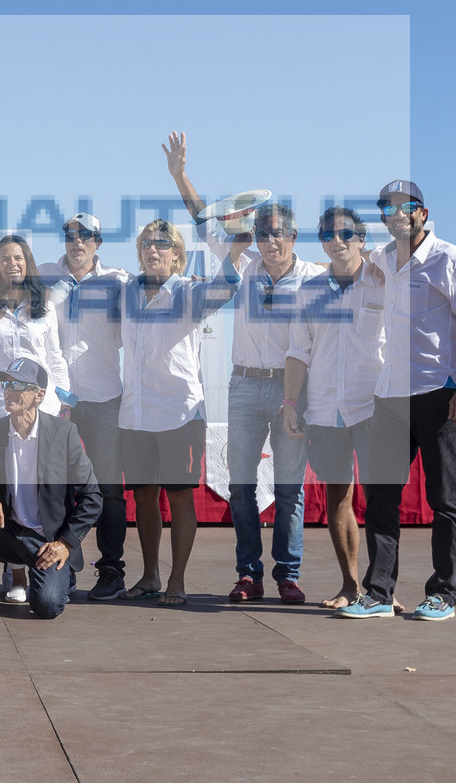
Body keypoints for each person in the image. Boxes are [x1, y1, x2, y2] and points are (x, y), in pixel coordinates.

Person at [164, 131, 325, 604]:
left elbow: (360, 271)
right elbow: (202, 217)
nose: (269, 240)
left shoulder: (314, 277)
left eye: (278, 233)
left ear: (293, 237)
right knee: (240, 487)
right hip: (245, 388)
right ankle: (248, 573)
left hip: (293, 391)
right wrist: (180, 175)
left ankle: (287, 575)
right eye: (262, 233)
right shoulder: (244, 262)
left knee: (290, 489)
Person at [340, 180, 456, 621]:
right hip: (388, 397)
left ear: (421, 213)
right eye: (387, 207)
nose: (395, 213)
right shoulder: (383, 258)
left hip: (440, 396)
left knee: (445, 499)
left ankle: (443, 593)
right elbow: (342, 261)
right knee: (381, 497)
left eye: (404, 207)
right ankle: (379, 593)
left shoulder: (452, 259)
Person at [119, 219, 245, 607]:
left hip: (179, 413)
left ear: (176, 254)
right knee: (143, 498)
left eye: (161, 245)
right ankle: (150, 575)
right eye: (146, 245)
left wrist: (236, 251)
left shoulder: (189, 293)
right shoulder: (126, 292)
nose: (152, 250)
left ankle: (177, 578)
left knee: (179, 499)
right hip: (135, 414)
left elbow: (224, 288)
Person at [0, 357, 101, 620]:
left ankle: (63, 577)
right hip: (5, 532)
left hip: (46, 541)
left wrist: (65, 544)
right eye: (6, 384)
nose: (9, 390)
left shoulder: (64, 433)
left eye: (18, 384)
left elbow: (92, 498)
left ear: (39, 394)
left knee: (46, 606)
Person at [282, 207, 386, 611]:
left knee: (381, 500)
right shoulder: (307, 292)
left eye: (345, 234)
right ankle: (351, 586)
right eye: (327, 235)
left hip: (374, 406)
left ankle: (381, 591)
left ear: (361, 238)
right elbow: (297, 353)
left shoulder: (384, 282)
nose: (336, 241)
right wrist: (290, 403)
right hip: (325, 410)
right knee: (337, 499)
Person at [0, 233, 70, 601]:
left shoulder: (43, 304)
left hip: (41, 412)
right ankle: (15, 572)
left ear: (27, 263)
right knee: (6, 489)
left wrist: (62, 402)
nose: (11, 264)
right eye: (4, 259)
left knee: (39, 490)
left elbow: (55, 356)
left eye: (18, 258)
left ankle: (48, 560)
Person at [41, 213, 130, 602]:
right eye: (70, 235)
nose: (77, 241)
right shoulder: (43, 275)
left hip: (105, 399)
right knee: (57, 490)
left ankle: (111, 571)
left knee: (108, 490)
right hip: (59, 404)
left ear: (98, 242)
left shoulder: (119, 281)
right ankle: (66, 567)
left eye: (86, 236)